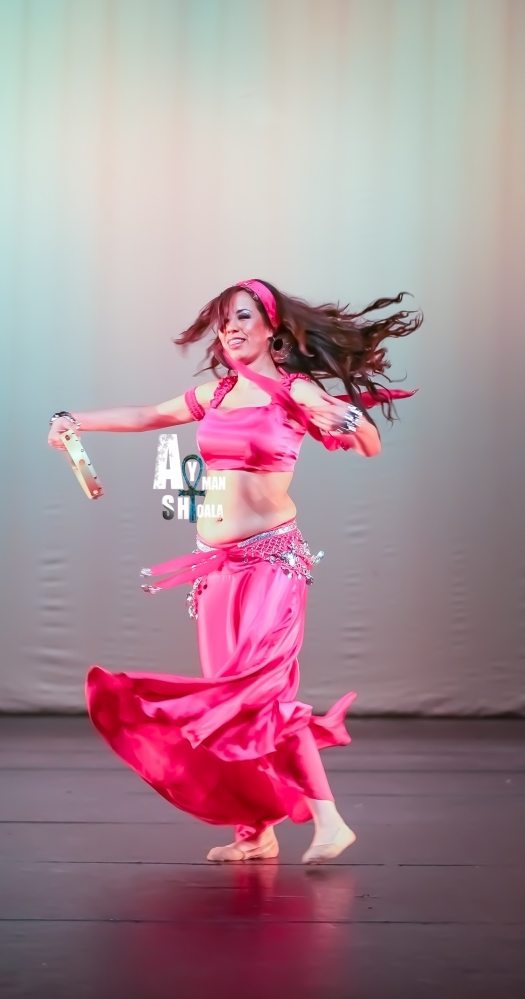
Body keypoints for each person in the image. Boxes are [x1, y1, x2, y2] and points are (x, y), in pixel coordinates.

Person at [48, 279, 420, 863]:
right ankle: (256, 830)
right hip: (215, 568)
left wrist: (347, 418)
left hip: (272, 561)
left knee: (261, 690)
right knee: (229, 702)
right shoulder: (217, 394)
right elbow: (149, 415)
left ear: (272, 327)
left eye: (243, 316)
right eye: (224, 320)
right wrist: (72, 419)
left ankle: (329, 821)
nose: (231, 327)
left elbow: (369, 444)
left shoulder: (294, 391)